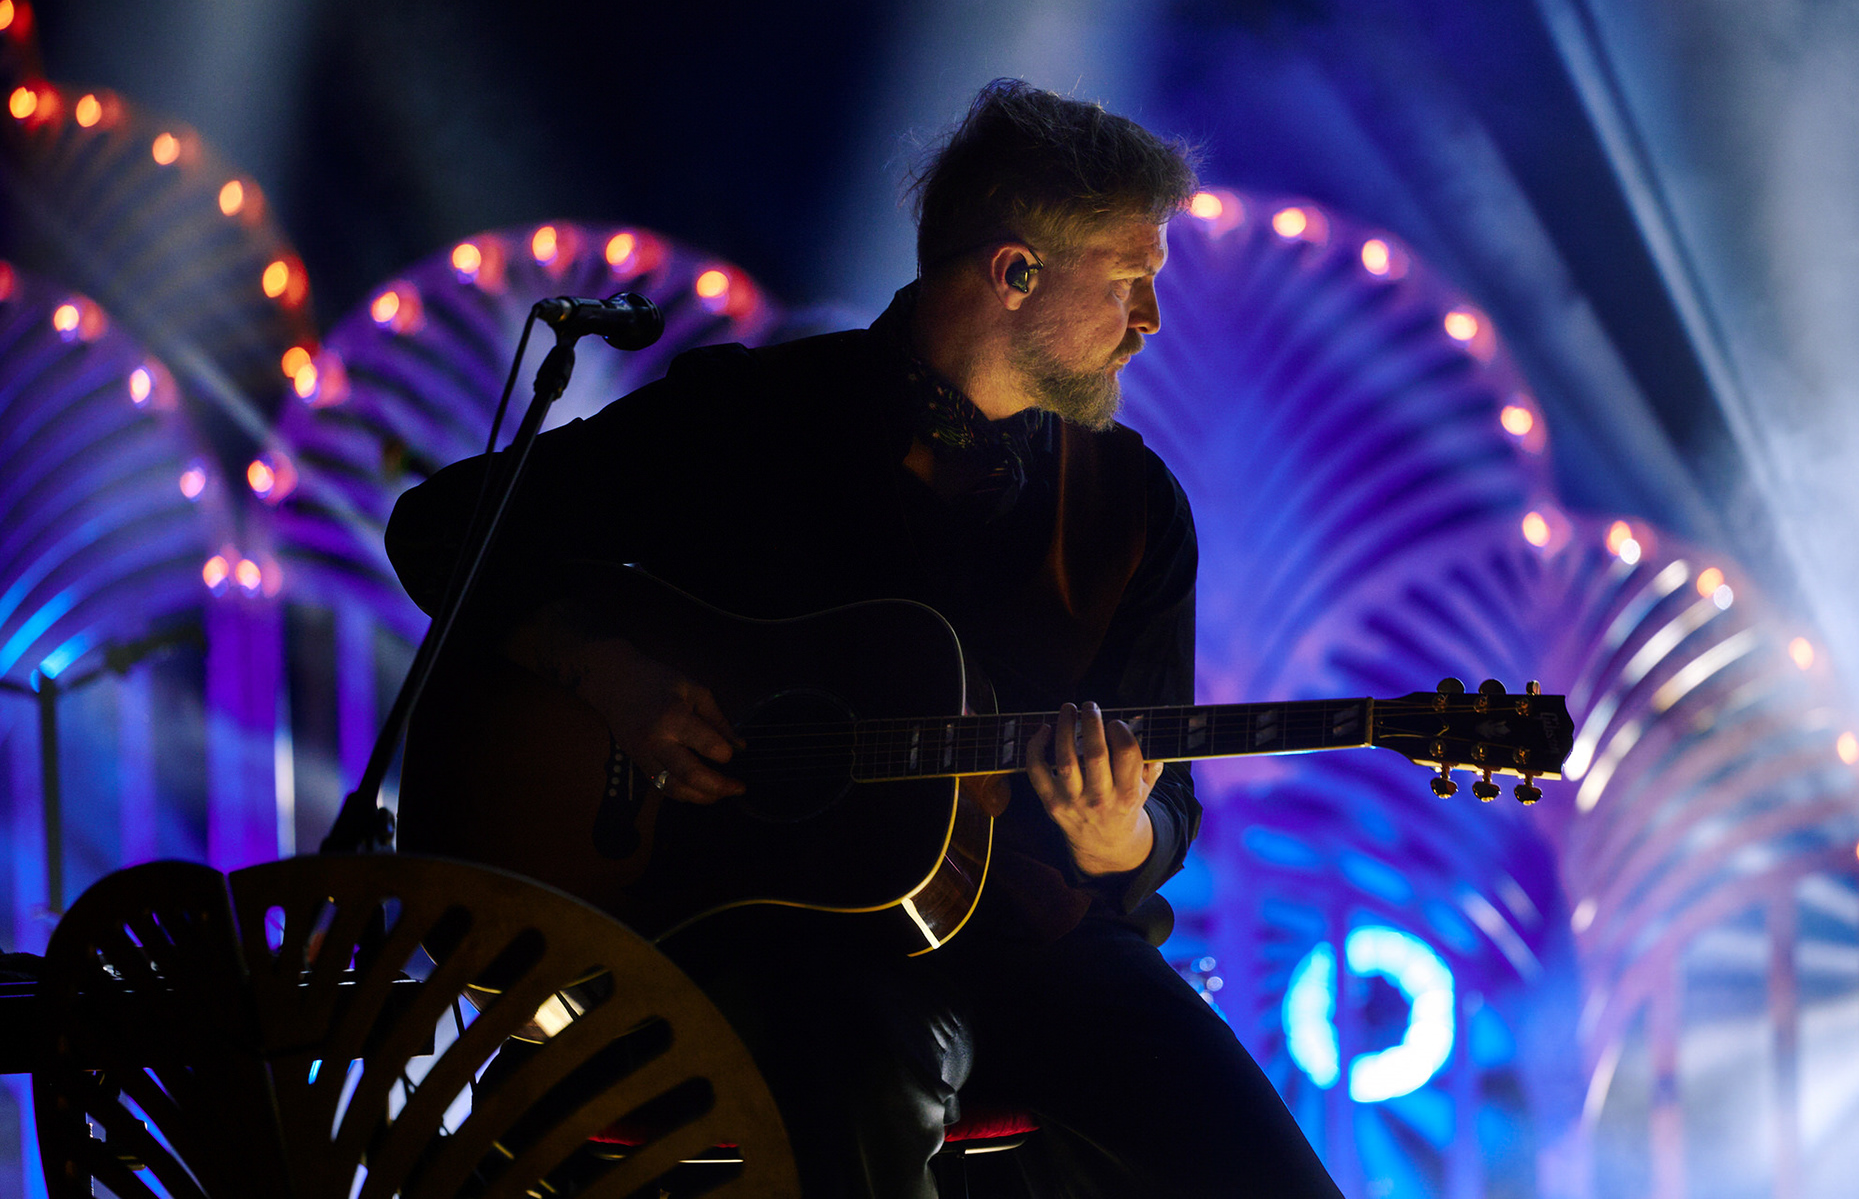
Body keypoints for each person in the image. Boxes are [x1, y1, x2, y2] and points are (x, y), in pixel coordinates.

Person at [387, 79, 1343, 1198]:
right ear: (1015, 272)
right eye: (1131, 279)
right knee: (858, 1058)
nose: (1151, 321)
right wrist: (606, 671)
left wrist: (1120, 833)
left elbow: (1167, 800)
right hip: (757, 933)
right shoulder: (751, 417)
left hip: (1037, 946)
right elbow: (441, 525)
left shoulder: (1134, 510)